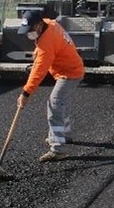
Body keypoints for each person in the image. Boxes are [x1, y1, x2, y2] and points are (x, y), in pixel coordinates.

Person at [16, 10, 85, 162]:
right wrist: (37, 49)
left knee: (54, 103)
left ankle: (58, 148)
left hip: (70, 73)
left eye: (31, 31)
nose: (29, 34)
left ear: (39, 26)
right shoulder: (49, 23)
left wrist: (26, 93)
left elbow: (39, 71)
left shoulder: (47, 42)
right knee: (61, 103)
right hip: (71, 69)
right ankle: (63, 135)